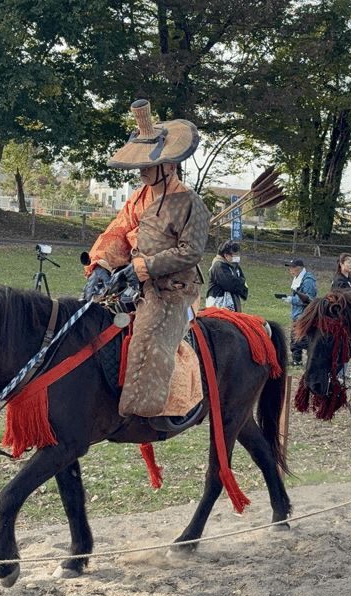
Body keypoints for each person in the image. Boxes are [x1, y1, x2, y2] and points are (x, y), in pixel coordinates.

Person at [82, 99, 210, 430]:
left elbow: (190, 251)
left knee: (150, 339)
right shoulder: (138, 198)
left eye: (146, 165)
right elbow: (118, 233)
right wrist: (101, 266)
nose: (140, 172)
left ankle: (149, 413)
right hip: (133, 282)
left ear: (168, 165)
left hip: (171, 289)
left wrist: (142, 268)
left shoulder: (192, 204)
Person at [283, 258, 317, 366]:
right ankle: (296, 360)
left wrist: (291, 299)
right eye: (290, 268)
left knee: (303, 339)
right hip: (297, 314)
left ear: (300, 268)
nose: (291, 270)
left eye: (293, 267)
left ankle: (314, 358)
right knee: (294, 339)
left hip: (303, 314)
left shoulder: (307, 281)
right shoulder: (298, 279)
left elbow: (308, 299)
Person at [206, 240, 248, 312]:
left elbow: (243, 280)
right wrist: (239, 282)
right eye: (235, 255)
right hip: (218, 304)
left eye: (238, 254)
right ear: (226, 255)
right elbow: (230, 284)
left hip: (233, 302)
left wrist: (241, 283)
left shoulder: (235, 266)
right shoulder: (218, 266)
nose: (237, 257)